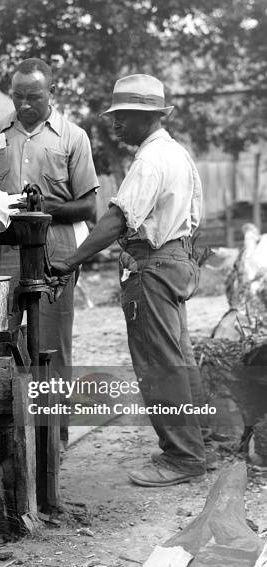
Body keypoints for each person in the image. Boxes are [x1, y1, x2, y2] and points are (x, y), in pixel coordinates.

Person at [51, 73, 210, 487]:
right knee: (178, 358)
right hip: (175, 260)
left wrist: (71, 260)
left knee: (158, 364)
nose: (115, 123)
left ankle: (182, 457)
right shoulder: (178, 154)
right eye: (115, 115)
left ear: (149, 117)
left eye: (124, 116)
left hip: (154, 269)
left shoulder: (150, 160)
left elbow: (117, 218)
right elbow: (193, 217)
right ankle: (194, 445)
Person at [0, 58, 99, 443]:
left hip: (54, 251)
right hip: (4, 248)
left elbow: (89, 207)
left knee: (50, 344)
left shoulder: (72, 137)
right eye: (16, 96)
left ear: (52, 92)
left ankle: (54, 439)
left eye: (33, 96)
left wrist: (40, 209)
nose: (24, 104)